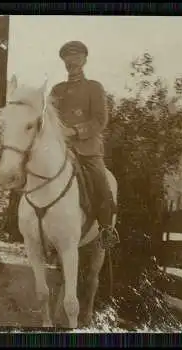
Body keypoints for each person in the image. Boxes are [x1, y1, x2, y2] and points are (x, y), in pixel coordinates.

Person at [49, 40, 119, 249]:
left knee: (101, 183)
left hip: (87, 149)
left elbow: (100, 120)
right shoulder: (57, 89)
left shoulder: (93, 87)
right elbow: (48, 118)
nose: (72, 62)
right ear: (63, 61)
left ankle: (106, 229)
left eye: (76, 58)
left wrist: (75, 131)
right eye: (68, 58)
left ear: (84, 60)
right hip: (60, 148)